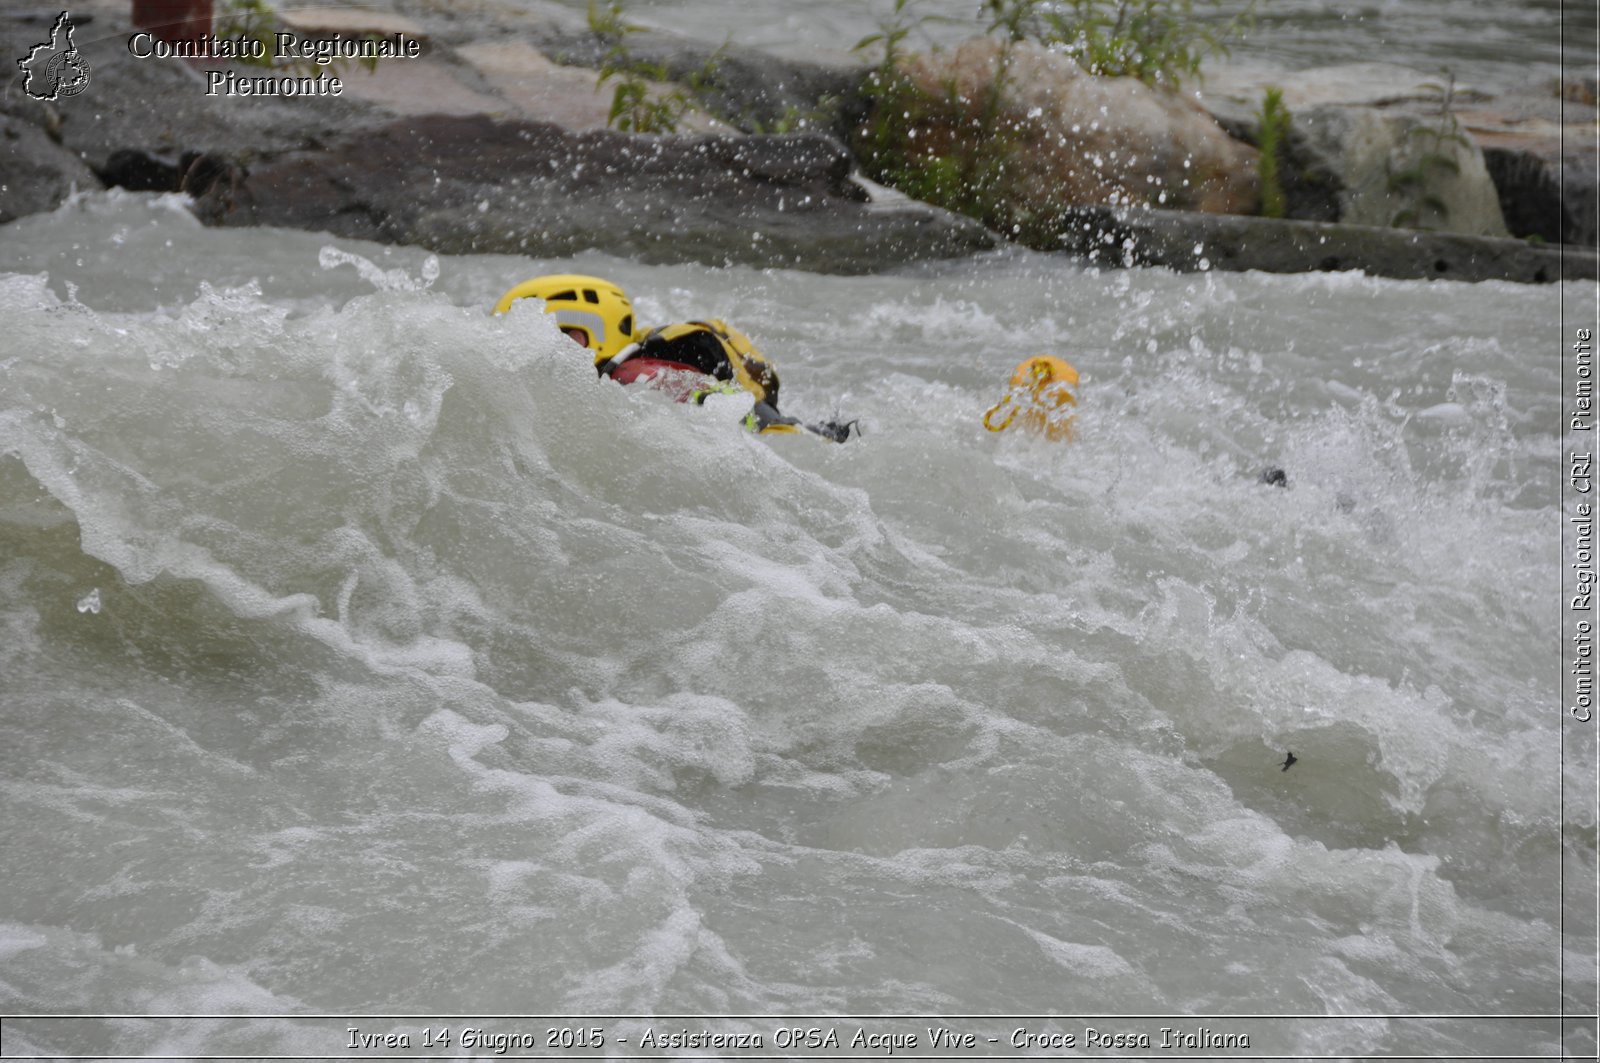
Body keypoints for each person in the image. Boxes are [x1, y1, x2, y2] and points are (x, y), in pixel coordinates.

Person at [494, 274, 852, 441]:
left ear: (592, 330)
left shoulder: (633, 375)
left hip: (796, 439)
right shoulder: (621, 376)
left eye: (554, 336)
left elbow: (730, 410)